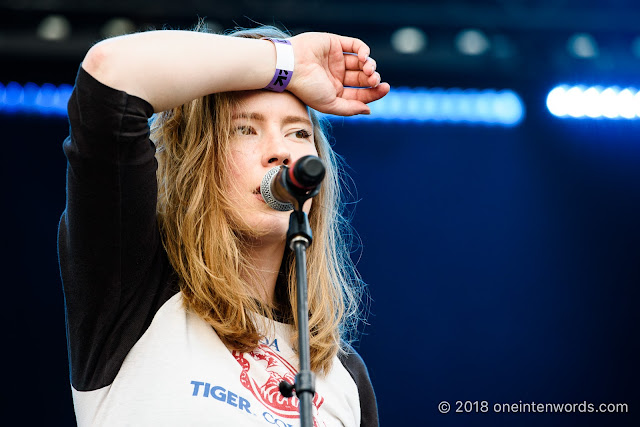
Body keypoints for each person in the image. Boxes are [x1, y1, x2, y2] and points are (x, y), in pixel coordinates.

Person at [58, 23, 390, 426]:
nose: (281, 151)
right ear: (196, 163)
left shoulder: (344, 377)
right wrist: (286, 62)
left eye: (299, 132)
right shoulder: (135, 286)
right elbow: (111, 75)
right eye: (245, 129)